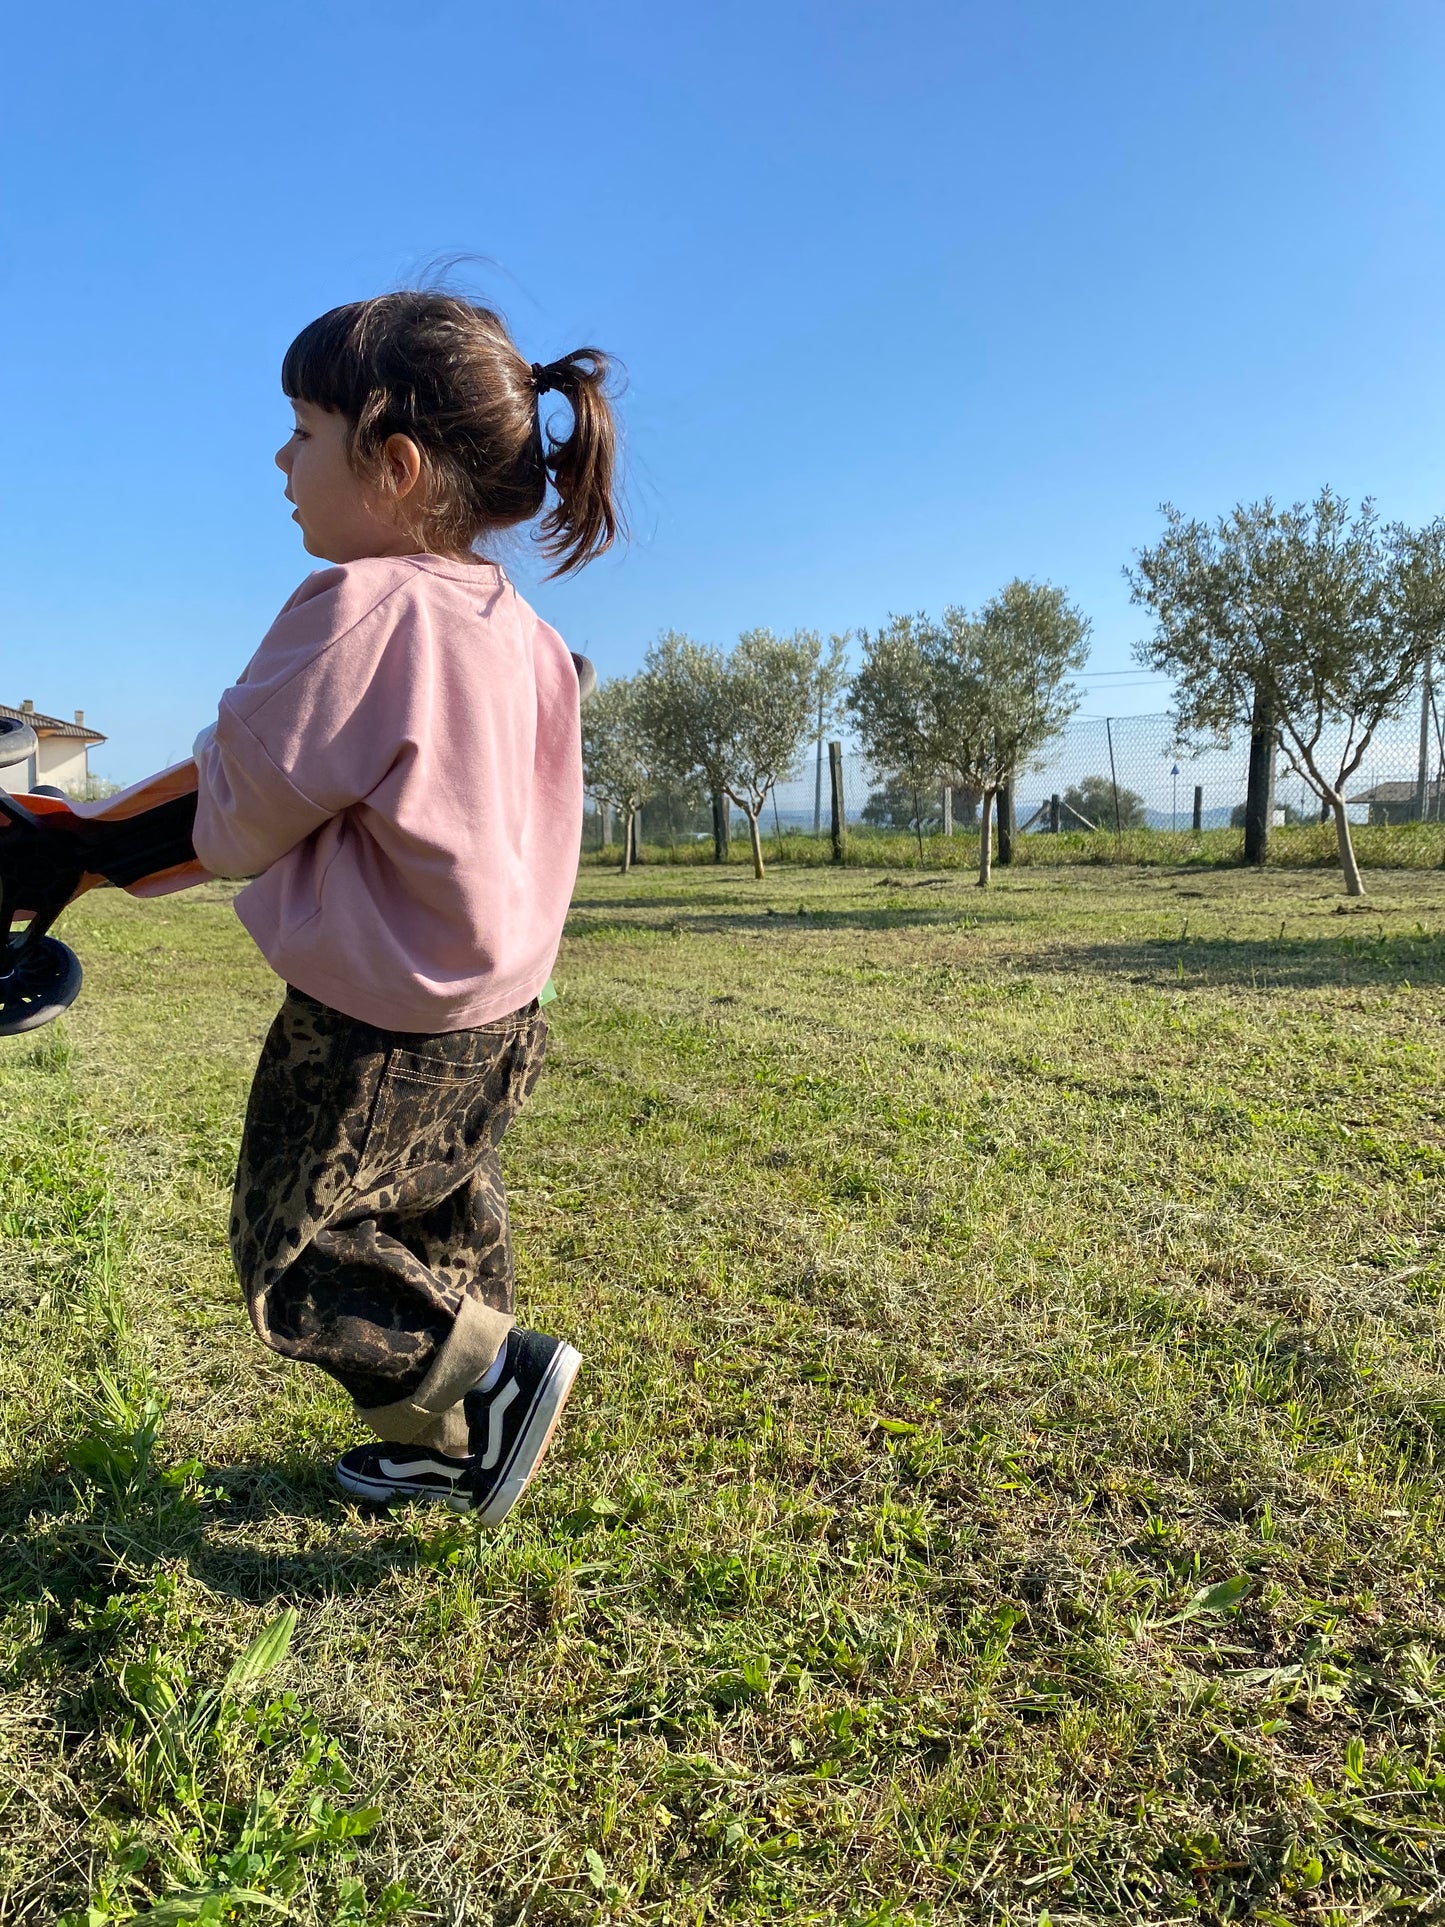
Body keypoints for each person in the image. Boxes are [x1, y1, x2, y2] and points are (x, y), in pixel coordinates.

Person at [189, 292, 617, 1522]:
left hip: (373, 1027)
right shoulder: (526, 634)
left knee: (296, 1252)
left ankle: (494, 1378)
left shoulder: (362, 606)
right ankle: (454, 1450)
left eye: (303, 432)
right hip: (501, 1016)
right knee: (435, 1227)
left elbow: (238, 817)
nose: (281, 461)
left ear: (396, 464)